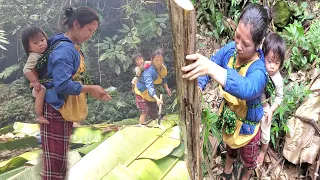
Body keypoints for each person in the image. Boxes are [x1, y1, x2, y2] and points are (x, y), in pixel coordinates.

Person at [181, 4, 271, 180]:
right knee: (230, 147)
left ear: (258, 44)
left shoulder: (259, 70)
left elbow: (247, 88)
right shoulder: (230, 50)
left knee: (249, 158)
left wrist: (212, 69)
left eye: (246, 44)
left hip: (248, 130)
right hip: (230, 119)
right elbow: (213, 61)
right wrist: (199, 85)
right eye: (237, 36)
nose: (238, 46)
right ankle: (228, 170)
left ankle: (245, 176)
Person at [40, 7, 111, 180]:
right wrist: (90, 89)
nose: (90, 35)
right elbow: (62, 84)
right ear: (76, 24)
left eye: (93, 32)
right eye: (89, 30)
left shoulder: (66, 44)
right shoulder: (65, 49)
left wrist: (93, 90)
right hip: (55, 109)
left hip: (59, 108)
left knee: (58, 158)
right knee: (55, 162)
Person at [257, 32, 285, 164]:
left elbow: (279, 96)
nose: (272, 66)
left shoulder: (277, 79)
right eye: (269, 61)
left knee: (265, 133)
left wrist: (271, 110)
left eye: (277, 63)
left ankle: (262, 152)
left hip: (265, 106)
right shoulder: (258, 67)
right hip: (253, 101)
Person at [134, 48, 171, 125]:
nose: (158, 63)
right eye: (156, 60)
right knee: (145, 111)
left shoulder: (163, 66)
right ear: (152, 60)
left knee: (153, 112)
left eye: (161, 60)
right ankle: (141, 129)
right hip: (142, 90)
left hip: (150, 92)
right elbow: (149, 85)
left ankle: (153, 127)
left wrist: (166, 88)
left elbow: (163, 77)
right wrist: (157, 99)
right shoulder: (149, 70)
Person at [22, 26, 49, 124]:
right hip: (37, 86)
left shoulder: (45, 52)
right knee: (42, 90)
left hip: (43, 82)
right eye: (35, 43)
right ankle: (39, 115)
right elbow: (26, 70)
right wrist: (35, 81)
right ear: (29, 47)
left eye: (42, 40)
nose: (40, 44)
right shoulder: (34, 56)